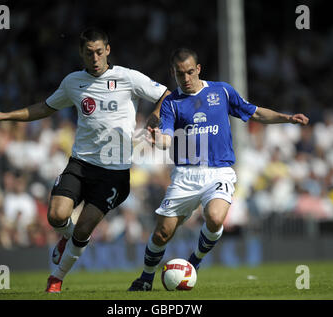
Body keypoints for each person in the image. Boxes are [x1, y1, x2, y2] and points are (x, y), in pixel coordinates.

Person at [0, 26, 170, 293]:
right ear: (81, 53)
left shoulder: (128, 78)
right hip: (80, 164)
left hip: (114, 172)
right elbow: (45, 108)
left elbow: (166, 94)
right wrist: (6, 115)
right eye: (89, 52)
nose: (95, 58)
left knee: (82, 231)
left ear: (108, 51)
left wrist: (157, 115)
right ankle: (68, 239)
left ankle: (56, 278)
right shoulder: (73, 82)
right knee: (56, 217)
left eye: (99, 52)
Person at [128, 47, 309, 291]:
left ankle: (194, 262)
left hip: (219, 171)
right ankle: (146, 279)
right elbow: (167, 138)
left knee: (214, 217)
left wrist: (286, 118)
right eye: (180, 74)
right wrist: (157, 139)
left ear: (198, 69)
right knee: (162, 233)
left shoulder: (222, 90)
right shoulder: (172, 103)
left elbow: (254, 112)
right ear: (174, 73)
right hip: (185, 175)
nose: (186, 78)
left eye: (190, 72)